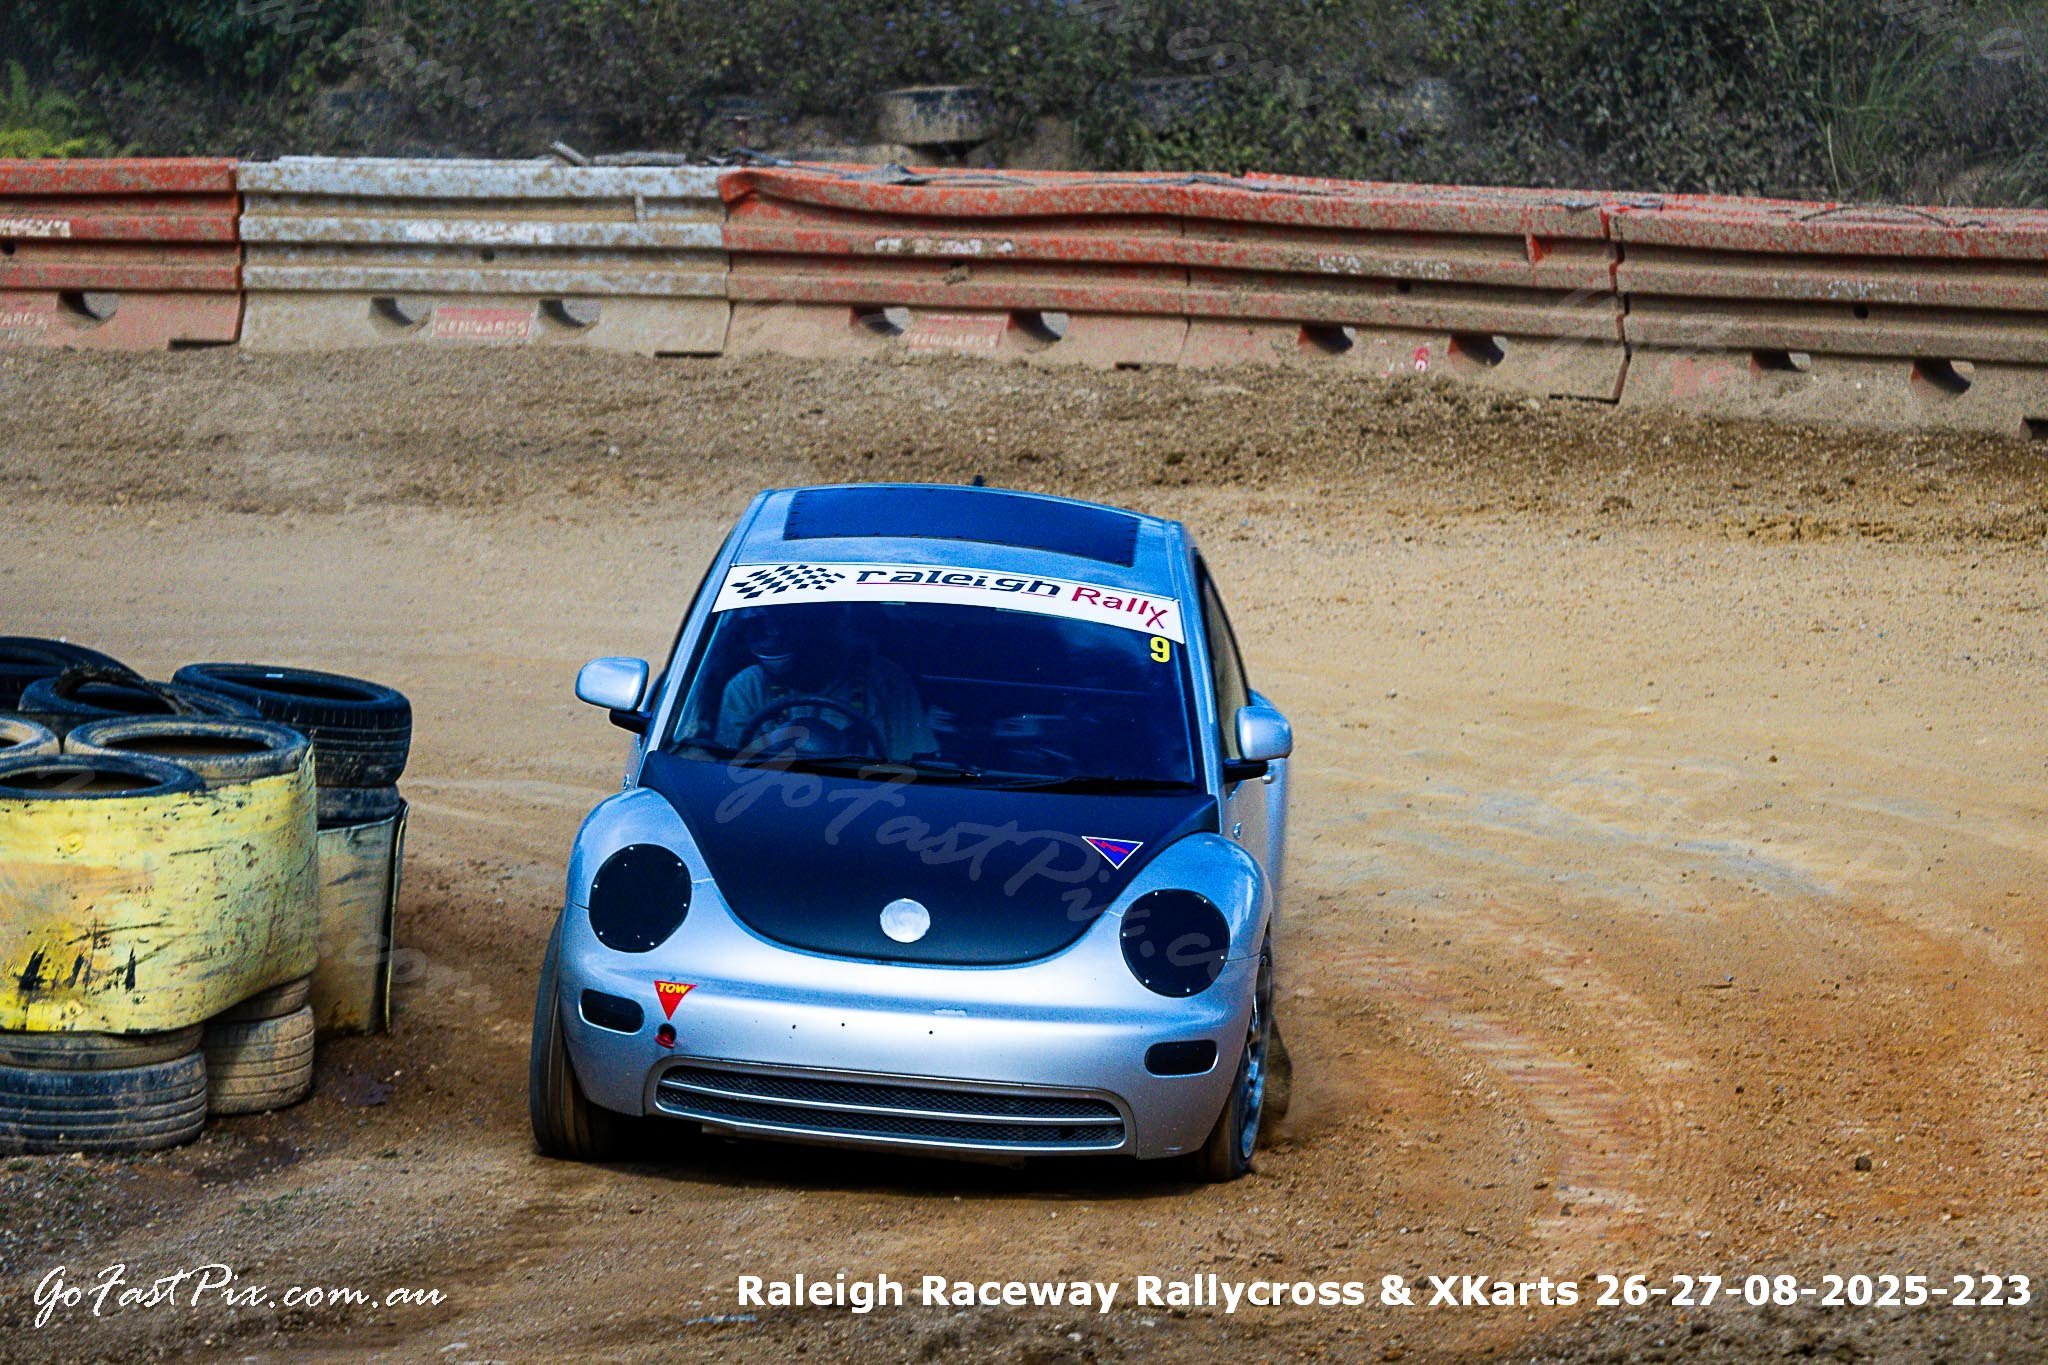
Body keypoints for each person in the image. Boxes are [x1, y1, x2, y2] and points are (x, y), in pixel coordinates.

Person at [713, 605, 935, 762]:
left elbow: (914, 761)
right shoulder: (746, 687)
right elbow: (729, 764)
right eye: (762, 623)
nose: (774, 633)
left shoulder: (884, 679)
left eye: (788, 621)